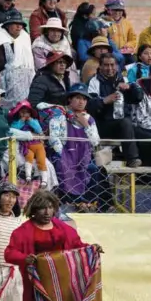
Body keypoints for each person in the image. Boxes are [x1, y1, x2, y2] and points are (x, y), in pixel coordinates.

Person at [49, 83, 108, 211]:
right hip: (64, 155)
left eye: (84, 99)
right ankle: (67, 202)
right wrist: (65, 156)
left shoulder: (89, 119)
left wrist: (86, 125)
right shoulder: (59, 116)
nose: (82, 102)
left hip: (83, 156)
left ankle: (87, 203)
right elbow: (54, 139)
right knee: (61, 165)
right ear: (70, 98)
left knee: (94, 168)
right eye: (78, 98)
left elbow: (95, 142)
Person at [87, 53, 144, 167]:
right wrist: (104, 100)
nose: (109, 68)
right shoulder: (94, 82)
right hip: (103, 124)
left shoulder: (124, 79)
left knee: (148, 137)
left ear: (117, 66)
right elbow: (88, 106)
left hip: (124, 126)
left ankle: (146, 176)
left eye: (112, 65)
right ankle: (132, 159)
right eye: (106, 65)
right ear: (100, 66)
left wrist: (130, 88)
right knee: (126, 123)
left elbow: (138, 98)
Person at [0, 10, 36, 112]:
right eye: (15, 24)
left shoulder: (25, 37)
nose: (19, 27)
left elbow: (30, 61)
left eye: (20, 24)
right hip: (6, 81)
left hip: (26, 79)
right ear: (7, 25)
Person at [8, 100, 48, 186]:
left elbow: (39, 130)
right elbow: (14, 129)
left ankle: (44, 180)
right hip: (26, 145)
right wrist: (21, 121)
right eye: (22, 112)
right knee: (28, 157)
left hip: (37, 144)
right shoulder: (16, 122)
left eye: (27, 112)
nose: (24, 114)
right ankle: (28, 177)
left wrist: (30, 121)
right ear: (18, 113)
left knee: (41, 160)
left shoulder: (34, 121)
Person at [102, 0, 137, 66]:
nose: (117, 12)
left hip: (125, 52)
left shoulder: (127, 23)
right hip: (111, 52)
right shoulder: (104, 22)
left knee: (133, 62)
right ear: (109, 10)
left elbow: (133, 39)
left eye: (120, 10)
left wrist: (127, 45)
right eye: (115, 10)